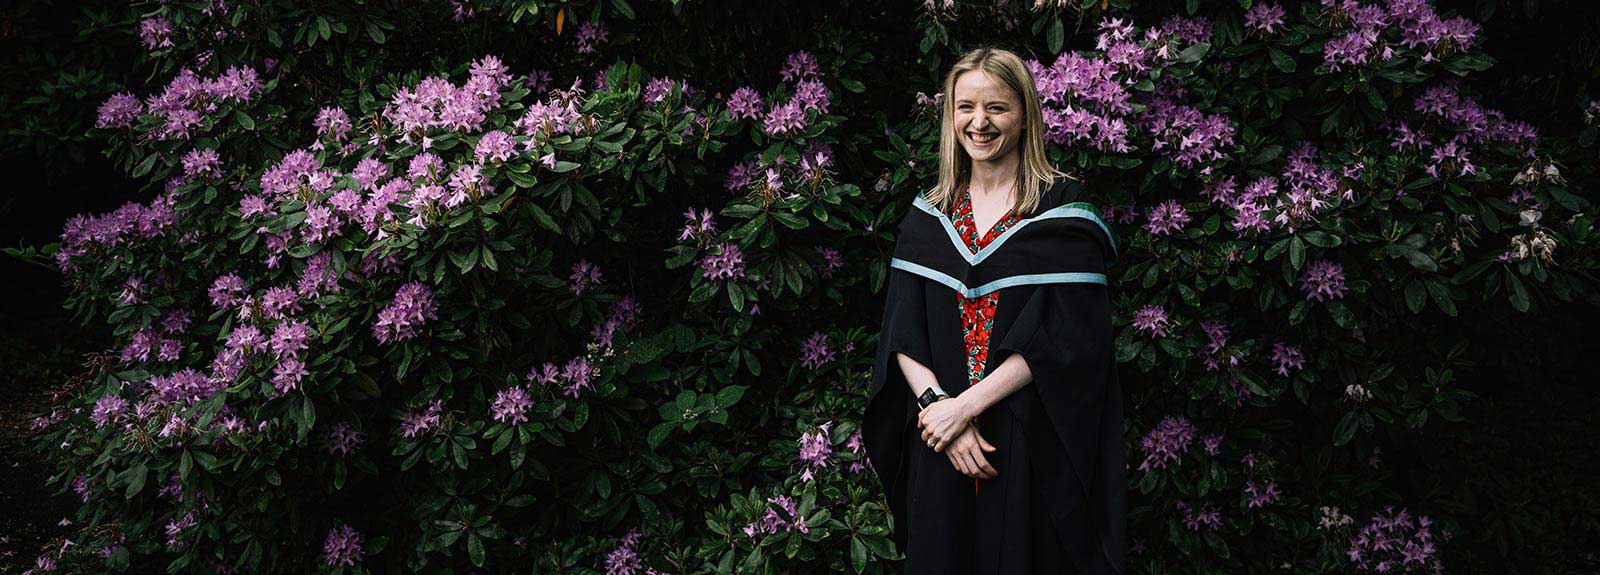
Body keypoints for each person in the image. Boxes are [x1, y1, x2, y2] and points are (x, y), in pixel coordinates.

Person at [861, 47, 1126, 575]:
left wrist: (966, 408)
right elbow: (901, 330)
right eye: (965, 108)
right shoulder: (929, 215)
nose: (979, 123)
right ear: (950, 115)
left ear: (1024, 113)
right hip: (940, 437)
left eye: (997, 108)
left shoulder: (1060, 214)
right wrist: (942, 410)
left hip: (1027, 436)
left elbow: (1065, 338)